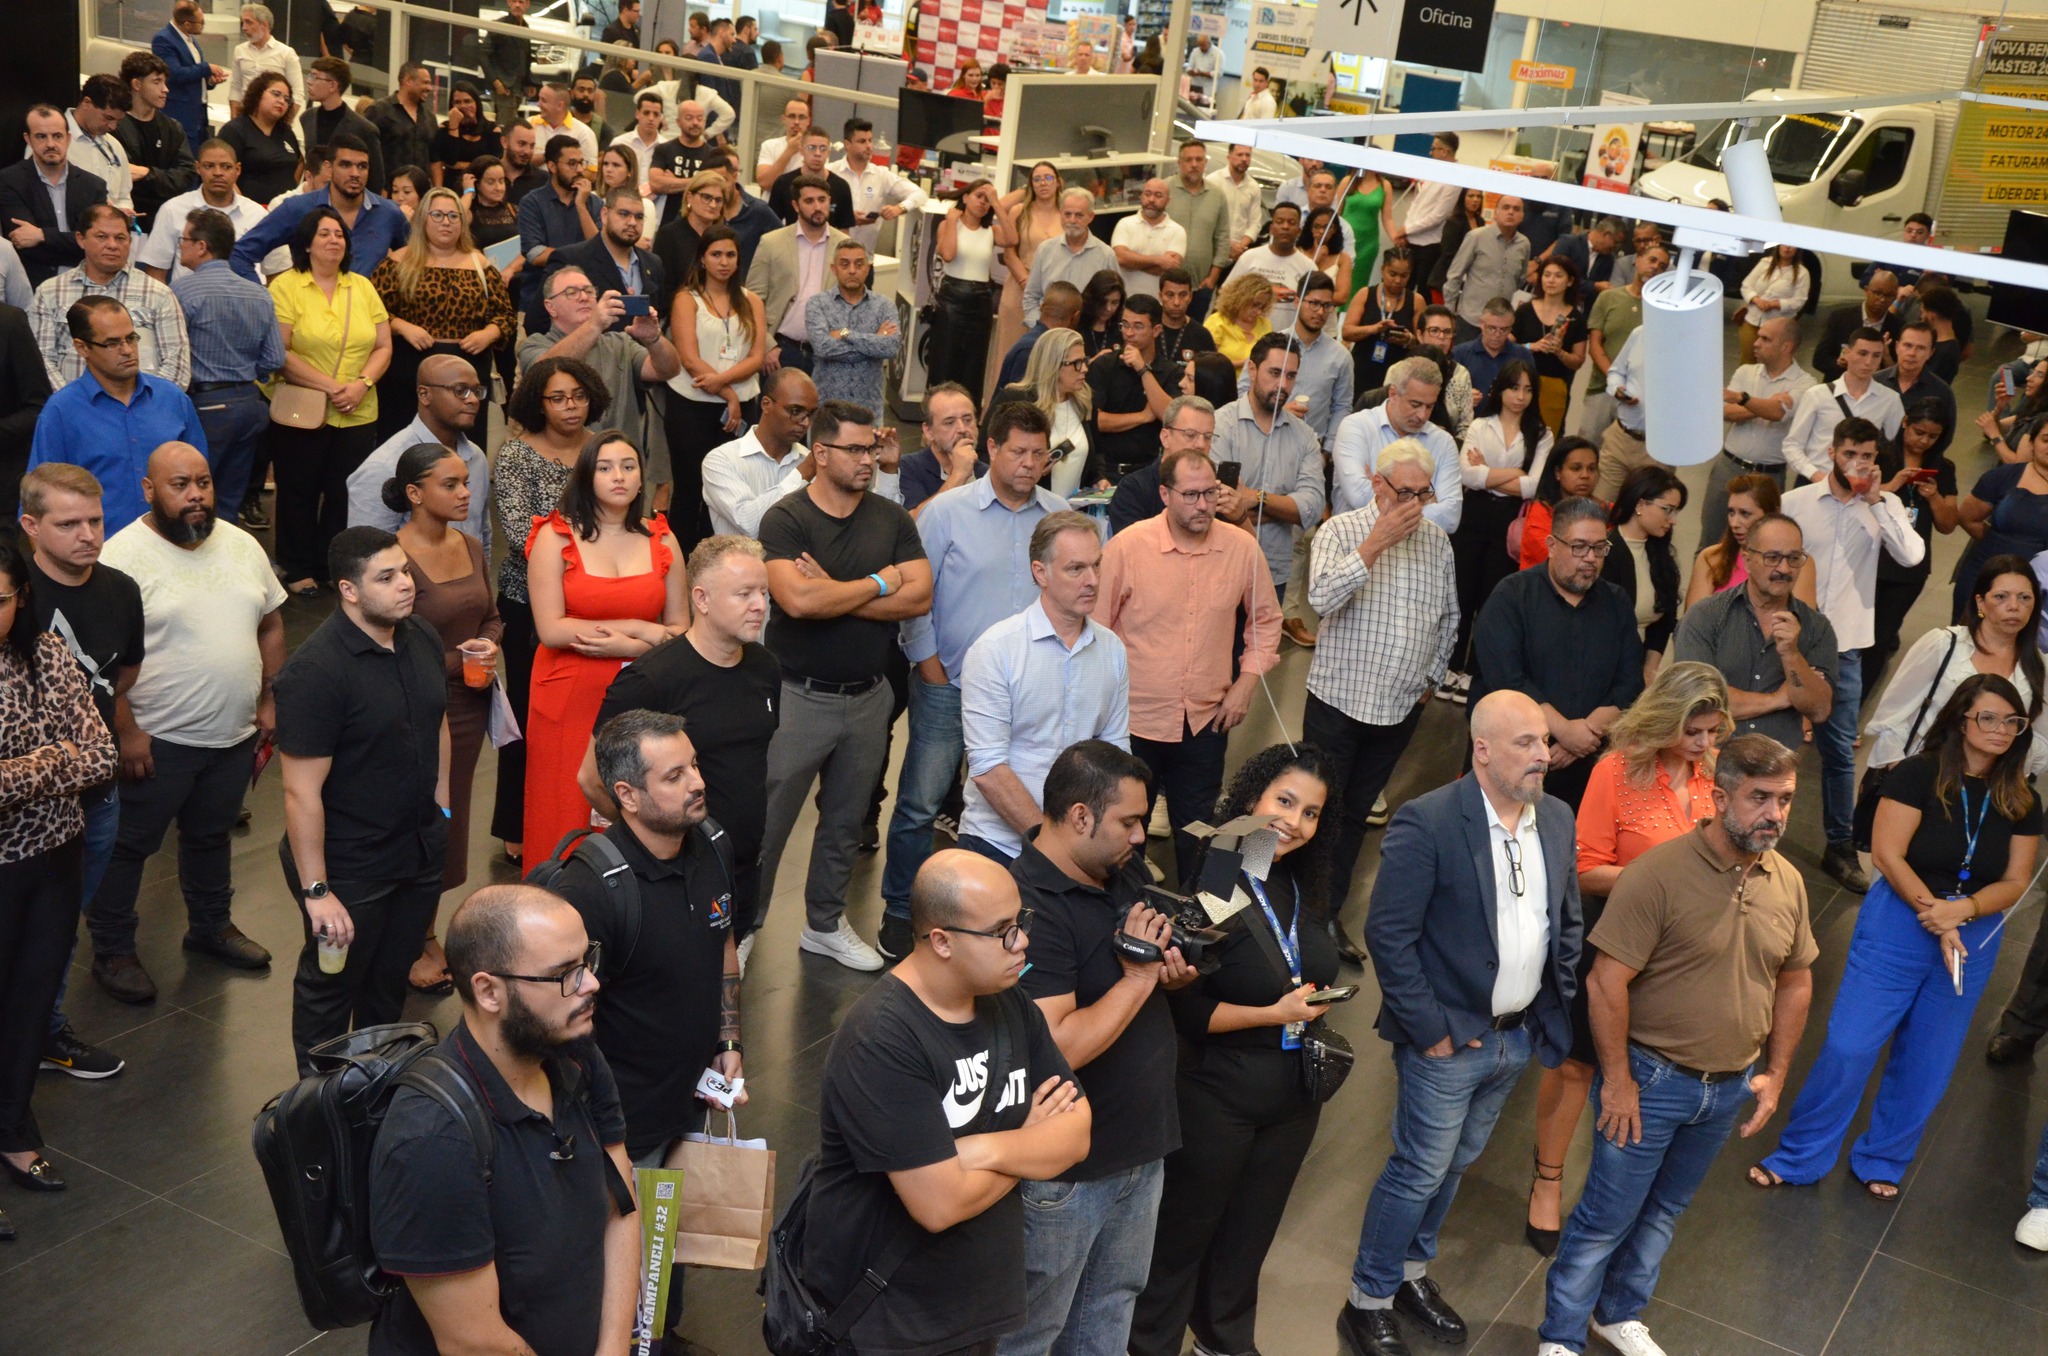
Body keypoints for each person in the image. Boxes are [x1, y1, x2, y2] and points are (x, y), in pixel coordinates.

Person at [1534, 734, 1813, 1356]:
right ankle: (1559, 1339)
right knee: (1606, 1216)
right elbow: (1606, 982)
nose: (1774, 814)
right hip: (1651, 1079)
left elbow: (1796, 979)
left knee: (1664, 1213)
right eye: (1759, 797)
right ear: (1720, 797)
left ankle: (1618, 1314)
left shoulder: (1787, 881)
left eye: (1786, 800)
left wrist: (1776, 1073)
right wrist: (1619, 1080)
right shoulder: (1658, 874)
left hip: (1729, 1084)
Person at [1339, 689, 1582, 1356]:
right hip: (1450, 1041)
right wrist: (1432, 1030)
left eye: (1545, 741)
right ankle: (1370, 1296)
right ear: (1482, 750)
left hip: (1516, 1036)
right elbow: (1388, 933)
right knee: (1419, 1168)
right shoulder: (1429, 820)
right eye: (1525, 743)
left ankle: (1411, 1273)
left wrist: (1548, 1013)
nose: (1543, 755)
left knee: (1456, 1166)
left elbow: (1565, 921)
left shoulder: (1556, 817)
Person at [1762, 676, 2038, 1204]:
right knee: (1849, 1044)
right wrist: (1936, 913)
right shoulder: (1917, 774)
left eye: (2013, 722)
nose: (2002, 730)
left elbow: (2016, 880)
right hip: (1901, 920)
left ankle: (1883, 1158)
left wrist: (1963, 910)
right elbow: (1888, 855)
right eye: (1990, 718)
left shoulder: (2022, 798)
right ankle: (1800, 1155)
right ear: (1962, 719)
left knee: (1929, 1059)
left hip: (1971, 936)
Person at [807, 849, 1089, 1354]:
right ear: (940, 941)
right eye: (1002, 929)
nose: (1021, 941)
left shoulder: (1009, 1001)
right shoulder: (881, 1039)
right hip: (892, 1323)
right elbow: (938, 1205)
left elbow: (1078, 1132)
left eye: (1021, 920)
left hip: (976, 1306)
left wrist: (985, 1150)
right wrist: (1029, 1142)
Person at [1130, 743, 1342, 1356]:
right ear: (1251, 798)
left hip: (1295, 1097)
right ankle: (1148, 1346)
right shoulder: (1219, 881)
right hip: (1218, 1097)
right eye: (1284, 801)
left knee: (1250, 1240)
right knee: (1181, 1241)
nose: (1294, 823)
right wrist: (1275, 1013)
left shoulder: (1303, 885)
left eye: (1310, 813)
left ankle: (1223, 1343)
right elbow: (1189, 1013)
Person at [365, 885, 640, 1356]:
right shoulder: (431, 1140)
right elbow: (472, 1342)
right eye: (564, 974)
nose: (591, 983)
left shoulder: (575, 1054)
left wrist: (613, 1348)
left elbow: (622, 1205)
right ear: (489, 991)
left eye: (586, 961)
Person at [1522, 662, 1730, 1256]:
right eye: (1695, 732)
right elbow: (1584, 869)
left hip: (1684, 953)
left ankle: (1617, 1196)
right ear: (1666, 718)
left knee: (1646, 1071)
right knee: (1577, 1067)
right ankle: (1548, 1181)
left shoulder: (1714, 773)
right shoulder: (1616, 770)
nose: (1705, 745)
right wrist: (1659, 879)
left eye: (1714, 732)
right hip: (1614, 939)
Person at [556, 707, 739, 1346]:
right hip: (624, 1123)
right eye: (674, 776)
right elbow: (559, 1017)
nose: (697, 783)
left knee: (667, 1251)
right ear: (627, 796)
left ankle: (653, 1332)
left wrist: (728, 1039)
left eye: (694, 766)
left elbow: (724, 946)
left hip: (690, 1099)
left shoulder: (712, 842)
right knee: (619, 1265)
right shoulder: (594, 889)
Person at [995, 738, 1183, 1356]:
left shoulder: (1121, 870)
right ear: (1080, 816)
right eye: (1129, 822)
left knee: (1110, 1315)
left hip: (1141, 1148)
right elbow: (1057, 1045)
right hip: (1069, 1174)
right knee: (1035, 1333)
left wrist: (1171, 965)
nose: (1141, 836)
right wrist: (1139, 978)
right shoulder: (1029, 908)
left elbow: (1149, 958)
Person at [87, 445, 283, 1012]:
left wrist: (271, 696)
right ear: (149, 490)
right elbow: (101, 663)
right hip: (156, 740)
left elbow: (270, 621)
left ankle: (210, 927)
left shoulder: (241, 543)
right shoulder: (121, 558)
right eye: (179, 484)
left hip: (233, 733)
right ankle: (114, 950)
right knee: (129, 848)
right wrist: (127, 731)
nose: (196, 494)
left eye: (203, 481)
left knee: (210, 834)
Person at [880, 405, 1070, 953]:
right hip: (951, 683)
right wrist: (929, 665)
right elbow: (919, 597)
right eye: (1019, 452)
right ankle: (900, 908)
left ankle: (999, 912)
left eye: (1041, 454)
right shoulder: (947, 513)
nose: (1031, 464)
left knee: (1016, 798)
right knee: (922, 800)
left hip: (1027, 692)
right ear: (990, 449)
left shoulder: (1056, 516)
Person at [754, 402, 933, 969]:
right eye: (856, 450)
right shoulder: (786, 518)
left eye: (872, 448)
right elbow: (799, 601)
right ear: (822, 453)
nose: (870, 458)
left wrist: (838, 591)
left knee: (847, 823)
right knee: (767, 825)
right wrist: (879, 583)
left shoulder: (893, 519)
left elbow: (922, 597)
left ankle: (824, 924)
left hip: (869, 695)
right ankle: (745, 927)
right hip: (795, 695)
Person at [274, 527, 449, 1073]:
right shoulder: (314, 673)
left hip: (417, 849)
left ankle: (377, 1084)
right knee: (331, 987)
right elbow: (300, 793)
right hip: (350, 863)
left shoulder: (419, 635)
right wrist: (318, 891)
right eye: (387, 577)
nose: (406, 584)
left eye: (405, 570)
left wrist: (441, 810)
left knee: (390, 980)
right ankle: (318, 1104)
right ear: (348, 590)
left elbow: (436, 720)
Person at [0, 534, 118, 1239]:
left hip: (53, 855)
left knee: (32, 998)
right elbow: (70, 759)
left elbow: (99, 754)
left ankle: (14, 1128)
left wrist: (24, 772)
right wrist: (52, 761)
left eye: (2, 600)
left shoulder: (45, 653)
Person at [579, 535, 781, 936]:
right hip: (675, 873)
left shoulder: (765, 666)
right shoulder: (650, 681)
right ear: (701, 599)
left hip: (741, 863)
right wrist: (656, 840)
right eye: (744, 594)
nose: (760, 605)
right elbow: (591, 779)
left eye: (763, 592)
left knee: (727, 968)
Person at [1303, 437, 1457, 957]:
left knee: (1353, 819)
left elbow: (1450, 619)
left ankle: (1325, 918)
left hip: (1397, 711)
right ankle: (1284, 914)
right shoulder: (1341, 530)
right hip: (1336, 702)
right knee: (1311, 809)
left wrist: (1429, 681)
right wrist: (1374, 544)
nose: (1413, 505)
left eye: (1423, 493)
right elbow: (1320, 598)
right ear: (1376, 483)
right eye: (1404, 492)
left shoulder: (1438, 544)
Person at [1100, 447, 1282, 885]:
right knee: (1126, 832)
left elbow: (1266, 620)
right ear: (1165, 494)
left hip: (1205, 719)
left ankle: (1197, 926)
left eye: (1210, 493)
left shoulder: (1242, 548)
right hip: (1134, 721)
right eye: (1191, 495)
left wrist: (1246, 685)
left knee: (1199, 829)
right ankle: (1131, 920)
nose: (1203, 505)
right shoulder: (1127, 547)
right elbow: (1096, 631)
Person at [524, 432, 686, 869]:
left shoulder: (663, 539)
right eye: (605, 467)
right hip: (570, 691)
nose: (619, 476)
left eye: (629, 466)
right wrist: (638, 629)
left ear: (641, 479)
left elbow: (680, 632)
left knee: (634, 801)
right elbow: (552, 629)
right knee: (564, 807)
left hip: (640, 691)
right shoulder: (555, 536)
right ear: (586, 475)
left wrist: (628, 645)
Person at [1783, 419, 1925, 890]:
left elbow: (1911, 556)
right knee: (1771, 737)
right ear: (1832, 452)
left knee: (1840, 752)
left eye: (1868, 456)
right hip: (1786, 639)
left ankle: (1839, 847)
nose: (1859, 464)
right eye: (1851, 454)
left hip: (1844, 647)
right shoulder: (1796, 503)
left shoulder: (1884, 507)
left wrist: (1880, 503)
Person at [378, 442, 500, 991]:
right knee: (421, 817)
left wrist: (489, 646)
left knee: (452, 820)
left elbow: (493, 616)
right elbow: (388, 642)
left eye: (466, 482)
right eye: (449, 484)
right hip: (417, 708)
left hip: (469, 705)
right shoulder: (391, 558)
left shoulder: (472, 546)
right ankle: (410, 936)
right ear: (414, 493)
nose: (465, 493)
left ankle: (422, 925)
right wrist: (459, 659)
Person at [490, 358, 604, 865]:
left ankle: (582, 814)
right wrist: (597, 549)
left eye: (577, 395)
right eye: (557, 397)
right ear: (537, 403)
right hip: (528, 603)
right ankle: (517, 821)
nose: (570, 406)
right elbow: (521, 534)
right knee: (525, 715)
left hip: (597, 599)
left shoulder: (602, 448)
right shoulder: (515, 455)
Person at [1470, 496, 1646, 809]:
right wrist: (1563, 731)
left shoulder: (1616, 601)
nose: (1591, 558)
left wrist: (1583, 736)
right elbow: (1508, 679)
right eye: (1579, 546)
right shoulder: (1512, 596)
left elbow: (1630, 682)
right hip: (1511, 764)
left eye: (1599, 548)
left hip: (1588, 768)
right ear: (1552, 545)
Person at [265, 206, 393, 594]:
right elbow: (281, 352)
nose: (334, 239)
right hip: (303, 407)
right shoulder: (286, 286)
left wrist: (361, 383)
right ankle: (298, 566)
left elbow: (384, 345)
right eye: (324, 233)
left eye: (339, 234)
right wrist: (331, 386)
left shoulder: (362, 286)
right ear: (306, 243)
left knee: (344, 493)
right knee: (298, 490)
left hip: (358, 408)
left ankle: (332, 564)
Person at [27, 296, 207, 536]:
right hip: (99, 555)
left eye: (131, 338)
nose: (127, 350)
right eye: (112, 343)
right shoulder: (61, 412)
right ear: (82, 348)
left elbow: (203, 481)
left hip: (174, 546)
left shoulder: (172, 399)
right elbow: (38, 501)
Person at [367, 187, 514, 441]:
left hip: (468, 368)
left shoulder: (482, 265)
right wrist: (402, 326)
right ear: (423, 219)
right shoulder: (397, 263)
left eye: (453, 216)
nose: (446, 222)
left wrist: (488, 334)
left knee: (464, 449)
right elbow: (371, 312)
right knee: (407, 448)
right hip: (409, 371)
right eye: (437, 215)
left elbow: (506, 316)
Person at [165, 205, 278, 527]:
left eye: (184, 239)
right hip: (249, 404)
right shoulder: (259, 294)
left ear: (201, 246)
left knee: (192, 495)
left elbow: (173, 354)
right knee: (229, 499)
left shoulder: (181, 292)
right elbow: (274, 359)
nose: (180, 245)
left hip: (205, 406)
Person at [1448, 359, 1554, 695]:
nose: (1520, 396)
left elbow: (1536, 487)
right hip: (1474, 514)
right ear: (1501, 390)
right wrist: (1515, 473)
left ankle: (1476, 671)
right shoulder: (1481, 425)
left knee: (1492, 597)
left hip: (1511, 521)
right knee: (1462, 592)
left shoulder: (1542, 434)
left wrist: (1489, 474)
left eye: (1527, 389)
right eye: (1514, 388)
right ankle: (1451, 667)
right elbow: (1467, 475)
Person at [1213, 331, 1327, 596]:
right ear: (1252, 370)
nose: (1283, 385)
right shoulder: (1221, 424)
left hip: (1273, 571)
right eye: (1275, 373)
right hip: (1221, 563)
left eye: (1290, 376)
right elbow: (1217, 505)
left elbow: (1311, 507)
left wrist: (1256, 498)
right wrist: (1283, 506)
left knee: (1266, 639)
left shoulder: (1304, 436)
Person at [31, 203, 191, 390]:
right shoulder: (50, 292)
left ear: (130, 242)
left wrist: (144, 405)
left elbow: (177, 366)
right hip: (74, 413)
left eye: (120, 237)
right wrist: (75, 403)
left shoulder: (158, 294)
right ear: (81, 239)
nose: (112, 245)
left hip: (142, 412)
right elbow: (42, 360)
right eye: (102, 237)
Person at [346, 352, 492, 549]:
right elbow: (366, 555)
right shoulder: (384, 467)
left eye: (476, 391)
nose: (473, 400)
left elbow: (481, 535)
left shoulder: (476, 457)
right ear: (424, 395)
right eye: (461, 390)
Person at [230, 134, 410, 282]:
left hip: (369, 320)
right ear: (329, 167)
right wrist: (262, 300)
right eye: (346, 165)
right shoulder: (297, 208)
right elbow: (240, 254)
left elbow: (419, 261)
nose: (355, 173)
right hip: (308, 319)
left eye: (362, 166)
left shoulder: (389, 214)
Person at [1868, 397, 1960, 675]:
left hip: (1909, 567)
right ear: (1905, 422)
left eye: (1933, 436)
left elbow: (1948, 524)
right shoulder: (1879, 456)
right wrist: (1891, 485)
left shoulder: (1944, 469)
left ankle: (1862, 692)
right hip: (1870, 556)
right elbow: (1853, 502)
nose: (1924, 441)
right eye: (1919, 432)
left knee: (1881, 637)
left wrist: (1934, 499)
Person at [1701, 313, 1814, 540]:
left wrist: (1743, 398)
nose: (1756, 343)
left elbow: (1778, 413)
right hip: (1729, 468)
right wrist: (1766, 404)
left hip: (1769, 476)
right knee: (1711, 539)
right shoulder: (1745, 372)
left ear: (1786, 346)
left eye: (1765, 339)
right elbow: (1726, 411)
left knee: (1760, 542)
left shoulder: (1806, 384)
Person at [1333, 354, 1461, 528]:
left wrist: (1383, 493)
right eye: (1415, 404)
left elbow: (1451, 518)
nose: (1422, 415)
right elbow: (1357, 495)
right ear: (1393, 393)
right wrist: (1426, 501)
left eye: (1430, 406)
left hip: (1417, 552)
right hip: (1356, 545)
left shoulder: (1443, 442)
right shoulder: (1357, 427)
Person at [0, 106, 112, 289]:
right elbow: (24, 245)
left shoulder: (94, 186)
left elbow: (97, 243)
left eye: (57, 136)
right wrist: (78, 242)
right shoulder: (9, 181)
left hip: (87, 286)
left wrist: (42, 235)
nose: (51, 144)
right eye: (41, 136)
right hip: (32, 286)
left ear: (68, 139)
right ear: (28, 139)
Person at [701, 367, 816, 537]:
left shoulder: (810, 461)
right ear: (766, 405)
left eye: (811, 414)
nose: (805, 423)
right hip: (739, 562)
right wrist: (802, 474)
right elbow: (750, 525)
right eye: (795, 411)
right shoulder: (722, 460)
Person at [1599, 465, 1687, 683]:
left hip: (1637, 666)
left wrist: (1649, 672)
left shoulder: (1659, 552)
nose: (1673, 519)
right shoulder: (1605, 553)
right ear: (1640, 504)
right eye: (1667, 509)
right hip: (1605, 666)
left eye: (1676, 511)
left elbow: (1665, 618)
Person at [1782, 328, 1905, 484]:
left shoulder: (1890, 399)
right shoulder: (1817, 395)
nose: (1868, 362)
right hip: (1815, 482)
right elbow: (1792, 445)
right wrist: (1815, 475)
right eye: (1862, 353)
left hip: (1860, 487)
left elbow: (1896, 448)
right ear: (1846, 353)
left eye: (1876, 355)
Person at [1956, 416, 2048, 622]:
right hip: (1985, 570)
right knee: (1968, 633)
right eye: (2046, 439)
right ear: (2032, 443)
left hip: (2037, 585)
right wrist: (1996, 541)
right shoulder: (2002, 476)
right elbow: (1968, 517)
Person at [140, 139, 267, 285]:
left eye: (226, 167)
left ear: (238, 170)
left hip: (247, 303)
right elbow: (156, 272)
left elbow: (275, 270)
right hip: (186, 302)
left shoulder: (258, 215)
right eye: (209, 166)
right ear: (198, 168)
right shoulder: (173, 209)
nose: (218, 173)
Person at [1685, 474, 1819, 608]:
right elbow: (1693, 623)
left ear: (1772, 513)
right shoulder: (1711, 558)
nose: (1734, 523)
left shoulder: (1799, 563)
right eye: (1731, 512)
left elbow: (1803, 623)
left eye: (1745, 514)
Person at [1580, 241, 1664, 446]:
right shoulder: (1608, 298)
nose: (1655, 267)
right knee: (1587, 447)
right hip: (1601, 388)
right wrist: (1615, 381)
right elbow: (1595, 345)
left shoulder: (1663, 311)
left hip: (1639, 397)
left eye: (1662, 266)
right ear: (1638, 260)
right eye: (1652, 260)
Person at [999, 328, 1096, 497]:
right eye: (1077, 363)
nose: (1085, 369)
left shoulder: (1083, 401)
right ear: (1054, 365)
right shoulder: (1016, 400)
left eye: (1085, 361)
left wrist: (1099, 478)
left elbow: (1096, 455)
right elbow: (987, 454)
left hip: (1070, 516)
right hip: (1025, 506)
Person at [514, 134, 597, 330]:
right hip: (539, 302)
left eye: (581, 163)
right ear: (552, 166)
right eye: (571, 164)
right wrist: (582, 255)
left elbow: (601, 247)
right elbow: (535, 253)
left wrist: (581, 207)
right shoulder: (532, 202)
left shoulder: (592, 203)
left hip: (583, 305)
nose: (579, 170)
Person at [806, 238, 899, 413]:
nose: (852, 271)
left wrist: (846, 333)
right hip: (827, 408)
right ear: (834, 269)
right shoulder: (817, 304)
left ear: (868, 268)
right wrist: (873, 343)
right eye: (845, 264)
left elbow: (890, 347)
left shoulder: (884, 306)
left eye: (859, 264)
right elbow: (823, 348)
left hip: (869, 409)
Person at [930, 180, 1001, 397]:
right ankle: (937, 412)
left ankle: (969, 415)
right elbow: (948, 254)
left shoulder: (991, 230)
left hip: (981, 300)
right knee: (945, 360)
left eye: (987, 199)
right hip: (952, 296)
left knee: (974, 363)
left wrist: (998, 204)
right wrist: (952, 221)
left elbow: (1013, 238)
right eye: (979, 195)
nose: (983, 202)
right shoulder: (948, 224)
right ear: (965, 197)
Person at [116, 52, 198, 232]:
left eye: (165, 82)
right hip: (126, 222)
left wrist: (147, 174)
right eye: (157, 81)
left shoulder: (172, 128)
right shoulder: (114, 126)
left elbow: (186, 175)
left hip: (166, 222)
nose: (165, 89)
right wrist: (162, 179)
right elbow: (120, 177)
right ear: (137, 84)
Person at [829, 115, 926, 257]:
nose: (868, 146)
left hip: (865, 259)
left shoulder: (881, 175)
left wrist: (899, 208)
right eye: (862, 141)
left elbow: (920, 194)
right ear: (847, 144)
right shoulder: (830, 172)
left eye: (870, 140)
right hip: (831, 257)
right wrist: (847, 217)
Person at [1510, 255, 1586, 435]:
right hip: (1519, 382)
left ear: (1570, 281)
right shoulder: (1525, 309)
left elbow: (1578, 361)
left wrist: (1559, 351)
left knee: (1546, 439)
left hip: (1554, 387)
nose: (1551, 280)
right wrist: (1531, 346)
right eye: (1547, 275)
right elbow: (1506, 346)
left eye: (1558, 276)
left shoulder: (1576, 318)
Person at [1023, 188, 1119, 327]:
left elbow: (1115, 299)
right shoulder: (1045, 250)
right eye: (1067, 214)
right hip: (1047, 334)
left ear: (1091, 217)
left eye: (1079, 215)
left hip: (1088, 334)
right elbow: (1031, 296)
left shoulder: (1106, 255)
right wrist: (1040, 327)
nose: (1072, 220)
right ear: (1060, 215)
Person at [217, 70, 302, 207]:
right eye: (276, 94)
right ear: (258, 95)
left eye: (287, 99)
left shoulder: (286, 132)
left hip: (285, 210)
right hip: (247, 211)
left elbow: (299, 162)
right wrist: (245, 208)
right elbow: (223, 173)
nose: (281, 101)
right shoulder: (235, 130)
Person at [301, 58, 386, 196]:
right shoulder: (307, 118)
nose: (309, 81)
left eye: (315, 77)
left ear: (333, 86)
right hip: (312, 198)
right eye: (310, 75)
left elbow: (376, 180)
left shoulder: (364, 128)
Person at [155, 1, 229, 148]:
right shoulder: (163, 40)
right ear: (187, 24)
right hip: (180, 113)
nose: (203, 25)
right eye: (201, 22)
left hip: (199, 113)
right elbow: (174, 74)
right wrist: (206, 68)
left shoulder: (190, 39)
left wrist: (210, 82)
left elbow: (193, 75)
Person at [1111, 178, 1188, 302]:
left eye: (1158, 195)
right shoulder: (1124, 224)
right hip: (1124, 301)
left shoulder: (1177, 231)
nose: (1151, 200)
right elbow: (1120, 258)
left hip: (1158, 304)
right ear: (1141, 196)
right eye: (1147, 194)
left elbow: (1166, 271)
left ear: (1168, 201)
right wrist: (1158, 260)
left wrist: (1132, 262)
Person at [367, 62, 438, 190]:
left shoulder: (430, 117)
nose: (429, 88)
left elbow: (435, 158)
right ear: (408, 80)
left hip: (421, 195)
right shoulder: (379, 111)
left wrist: (437, 189)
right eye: (425, 82)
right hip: (386, 193)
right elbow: (366, 151)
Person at [767, 128, 856, 231]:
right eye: (811, 148)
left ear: (829, 152)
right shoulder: (783, 183)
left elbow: (844, 231)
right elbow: (771, 225)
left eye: (823, 149)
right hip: (792, 243)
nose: (817, 153)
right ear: (801, 151)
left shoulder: (841, 187)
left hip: (829, 244)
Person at [1450, 298, 1533, 408]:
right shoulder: (1460, 354)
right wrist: (1462, 397)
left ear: (1511, 329)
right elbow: (1447, 395)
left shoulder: (1522, 356)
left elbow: (1532, 395)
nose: (1497, 335)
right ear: (1481, 324)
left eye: (1504, 330)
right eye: (1492, 328)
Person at [1736, 245, 1812, 364]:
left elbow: (1799, 301)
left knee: (1769, 361)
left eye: (1792, 246)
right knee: (1747, 359)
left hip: (1778, 326)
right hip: (1753, 320)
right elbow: (1746, 285)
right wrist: (1756, 299)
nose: (1787, 249)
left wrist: (1775, 304)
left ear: (1797, 250)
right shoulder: (1764, 263)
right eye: (1784, 245)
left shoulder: (1802, 273)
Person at [227, 5, 303, 118]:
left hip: (273, 117)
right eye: (243, 22)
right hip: (245, 115)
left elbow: (297, 93)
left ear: (264, 25)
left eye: (249, 22)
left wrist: (286, 123)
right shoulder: (240, 50)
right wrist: (234, 119)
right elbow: (236, 87)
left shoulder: (286, 53)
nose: (244, 28)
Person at [428, 80, 498, 190]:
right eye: (457, 102)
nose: (463, 106)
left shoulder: (492, 130)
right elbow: (451, 160)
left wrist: (460, 165)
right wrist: (454, 127)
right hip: (452, 187)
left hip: (484, 188)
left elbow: (493, 164)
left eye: (467, 101)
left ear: (476, 103)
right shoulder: (444, 129)